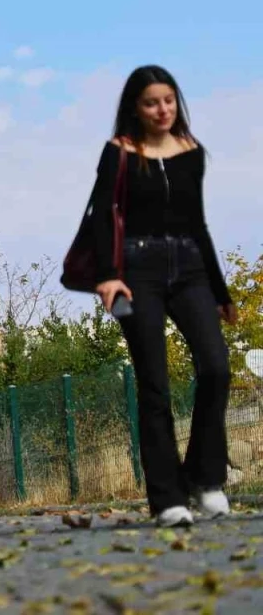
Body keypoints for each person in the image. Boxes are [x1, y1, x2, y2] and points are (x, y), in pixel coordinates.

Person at [89, 64, 238, 528]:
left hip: (190, 267)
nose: (162, 110)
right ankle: (167, 497)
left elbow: (199, 223)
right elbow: (103, 215)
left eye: (169, 100)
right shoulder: (119, 153)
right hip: (138, 271)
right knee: (154, 382)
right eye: (152, 102)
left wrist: (220, 289)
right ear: (136, 107)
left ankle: (204, 476)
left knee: (216, 367)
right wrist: (109, 275)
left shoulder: (192, 152)